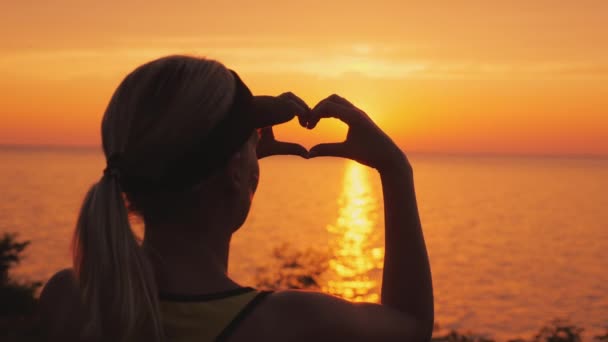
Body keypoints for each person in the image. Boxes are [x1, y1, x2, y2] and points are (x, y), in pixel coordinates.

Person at [38, 55, 434, 341]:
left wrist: (233, 152)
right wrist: (395, 169)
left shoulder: (69, 299)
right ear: (234, 173)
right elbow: (409, 323)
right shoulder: (290, 323)